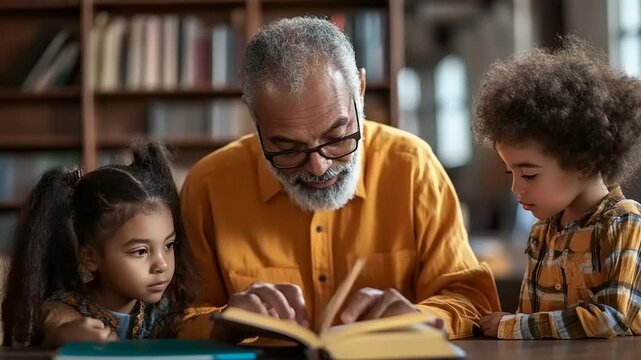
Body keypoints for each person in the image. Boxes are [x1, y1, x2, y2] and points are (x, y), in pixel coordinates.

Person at [179, 16, 500, 340]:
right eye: (287, 147)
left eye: (337, 136)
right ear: (255, 119)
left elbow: (471, 299)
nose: (318, 167)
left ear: (359, 90)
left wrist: (422, 319)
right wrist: (223, 323)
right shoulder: (209, 185)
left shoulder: (412, 167)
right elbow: (177, 318)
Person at [473, 37, 641, 339]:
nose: (515, 188)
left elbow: (611, 319)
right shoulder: (542, 232)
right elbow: (530, 317)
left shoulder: (624, 224)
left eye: (529, 175)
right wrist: (516, 324)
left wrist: (512, 326)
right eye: (510, 172)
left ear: (584, 161)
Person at [1, 142, 197, 346]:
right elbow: (57, 324)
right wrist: (65, 334)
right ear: (90, 257)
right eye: (141, 251)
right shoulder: (66, 308)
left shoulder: (162, 309)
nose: (162, 265)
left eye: (168, 245)